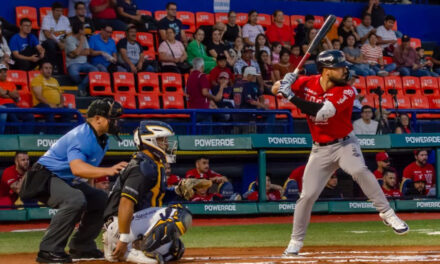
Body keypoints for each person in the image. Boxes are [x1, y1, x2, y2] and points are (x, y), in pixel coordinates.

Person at [277, 49, 409, 256]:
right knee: (307, 196)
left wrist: (291, 95)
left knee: (359, 170)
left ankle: (387, 213)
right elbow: (277, 88)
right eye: (339, 67)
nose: (345, 70)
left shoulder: (347, 91)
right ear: (327, 71)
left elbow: (321, 111)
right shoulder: (307, 82)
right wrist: (286, 80)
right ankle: (295, 241)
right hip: (320, 149)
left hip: (345, 145)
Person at [20, 98, 126, 263]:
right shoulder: (82, 135)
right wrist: (109, 170)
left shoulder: (102, 139)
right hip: (42, 177)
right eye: (112, 119)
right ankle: (48, 250)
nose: (116, 123)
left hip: (62, 178)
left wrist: (92, 190)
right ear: (98, 118)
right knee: (74, 199)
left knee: (101, 199)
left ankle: (82, 246)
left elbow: (85, 171)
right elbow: (77, 168)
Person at [102, 120, 191, 264]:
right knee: (179, 214)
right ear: (150, 141)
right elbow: (125, 202)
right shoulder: (141, 166)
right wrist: (123, 238)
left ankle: (134, 248)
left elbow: (153, 197)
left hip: (131, 224)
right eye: (162, 140)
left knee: (175, 249)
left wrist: (178, 190)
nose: (167, 144)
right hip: (119, 229)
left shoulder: (153, 164)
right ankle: (130, 249)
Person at [31, 60, 73, 131]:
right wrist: (50, 104)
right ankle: (51, 134)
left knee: (68, 112)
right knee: (49, 111)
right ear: (41, 70)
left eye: (50, 68)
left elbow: (61, 94)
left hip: (55, 105)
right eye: (46, 68)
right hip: (41, 105)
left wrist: (61, 104)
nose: (49, 70)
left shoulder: (54, 80)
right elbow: (39, 96)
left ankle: (63, 134)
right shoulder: (37, 80)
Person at [66, 21, 99, 97]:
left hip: (84, 63)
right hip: (73, 63)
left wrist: (73, 53)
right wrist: (81, 42)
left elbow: (87, 52)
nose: (85, 31)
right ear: (80, 30)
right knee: (74, 74)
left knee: (95, 70)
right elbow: (77, 52)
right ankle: (83, 87)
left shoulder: (84, 38)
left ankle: (80, 87)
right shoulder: (69, 39)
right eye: (84, 29)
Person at [0, 64, 34, 134]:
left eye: (5, 72)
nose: (4, 74)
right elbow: (2, 94)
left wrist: (6, 92)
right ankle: (20, 136)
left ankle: (26, 136)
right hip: (3, 106)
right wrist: (11, 95)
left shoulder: (11, 84)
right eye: (1, 72)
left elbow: (16, 95)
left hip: (14, 105)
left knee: (30, 116)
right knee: (14, 119)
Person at [39, 2, 72, 74]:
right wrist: (59, 42)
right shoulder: (47, 18)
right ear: (52, 11)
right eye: (57, 11)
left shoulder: (65, 19)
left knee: (71, 42)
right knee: (51, 43)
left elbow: (69, 33)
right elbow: (47, 34)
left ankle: (68, 68)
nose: (59, 13)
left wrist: (63, 42)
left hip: (61, 41)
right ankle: (53, 66)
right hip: (46, 42)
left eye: (61, 11)